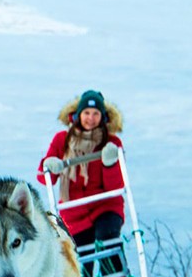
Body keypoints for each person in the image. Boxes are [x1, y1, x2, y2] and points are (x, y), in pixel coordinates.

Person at [36, 90, 125, 254]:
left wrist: (110, 164)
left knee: (108, 243)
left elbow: (116, 187)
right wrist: (48, 165)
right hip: (73, 213)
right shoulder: (61, 140)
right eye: (87, 113)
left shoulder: (111, 143)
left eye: (95, 113)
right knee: (81, 262)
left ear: (103, 117)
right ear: (78, 115)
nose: (91, 118)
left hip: (105, 206)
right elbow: (44, 179)